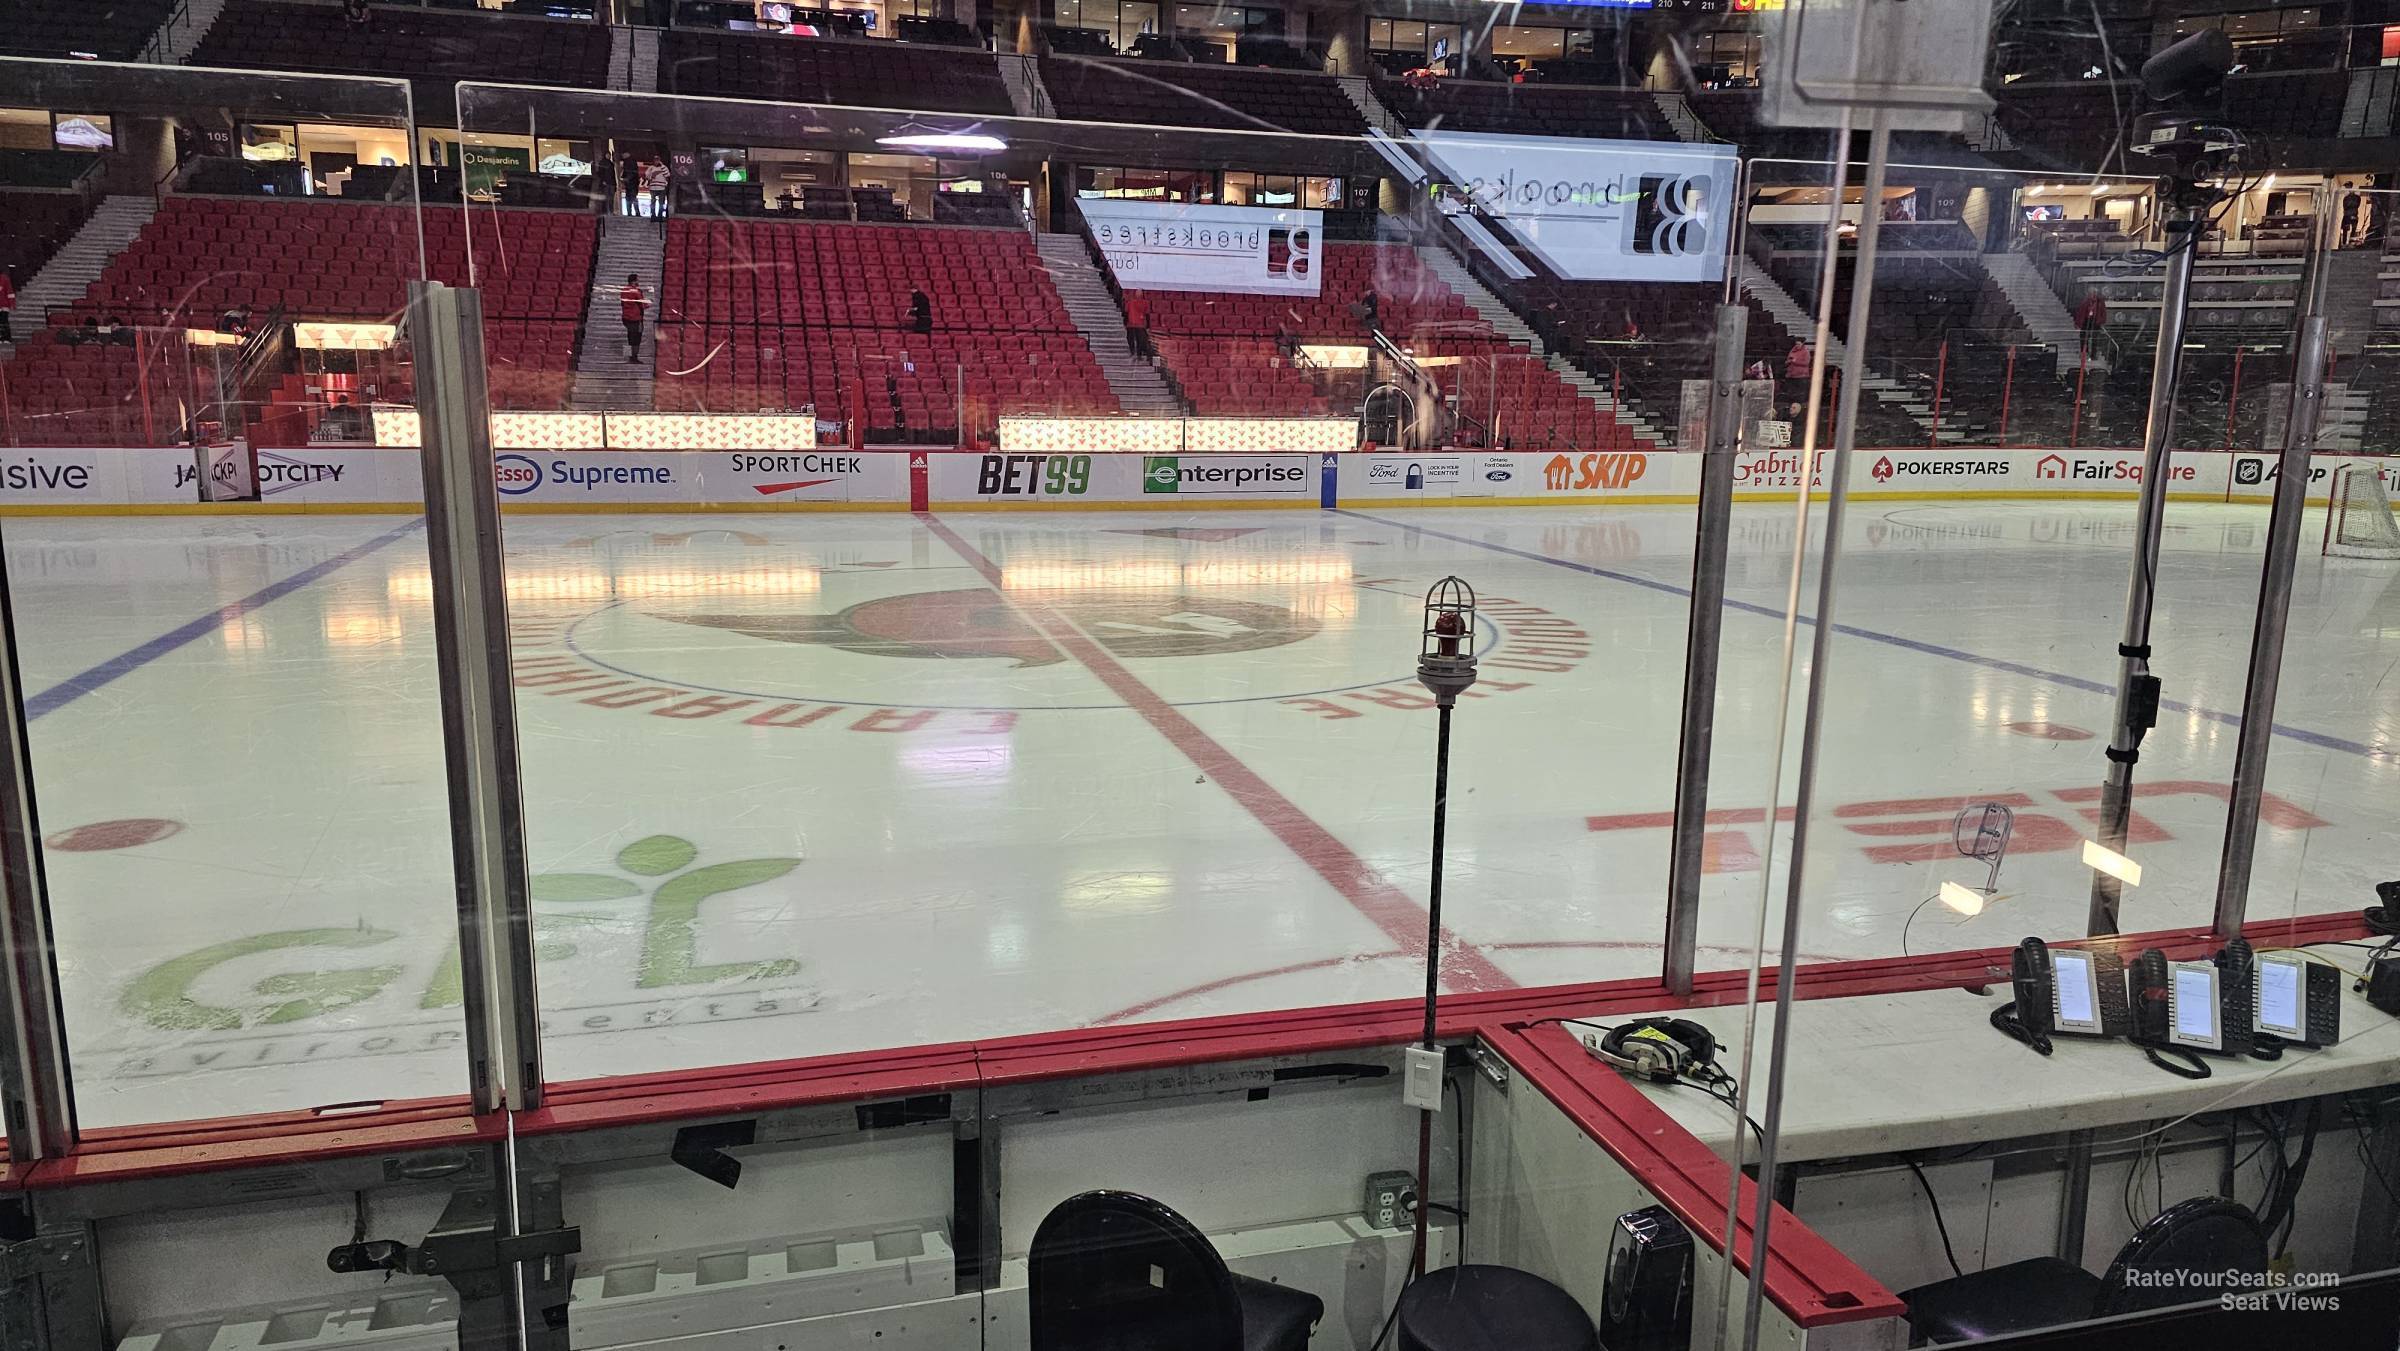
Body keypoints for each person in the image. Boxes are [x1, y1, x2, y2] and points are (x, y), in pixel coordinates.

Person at [620, 272, 649, 359]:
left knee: (629, 336)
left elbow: (622, 303)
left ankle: (628, 355)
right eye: (637, 280)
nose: (638, 282)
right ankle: (634, 357)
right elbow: (643, 305)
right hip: (635, 318)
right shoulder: (636, 291)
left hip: (626, 317)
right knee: (637, 338)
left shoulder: (623, 290)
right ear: (634, 281)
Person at [642, 157, 671, 228]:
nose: (656, 161)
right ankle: (653, 215)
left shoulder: (664, 168)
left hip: (662, 187)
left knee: (661, 202)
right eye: (655, 160)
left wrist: (662, 165)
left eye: (658, 160)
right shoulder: (650, 168)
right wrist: (652, 175)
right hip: (653, 187)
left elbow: (668, 175)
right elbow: (647, 176)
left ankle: (660, 216)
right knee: (653, 202)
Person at [0, 269, 14, 345]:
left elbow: (10, 292)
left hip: (4, 305)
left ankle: (7, 338)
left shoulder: (5, 278)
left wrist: (11, 304)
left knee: (4, 322)